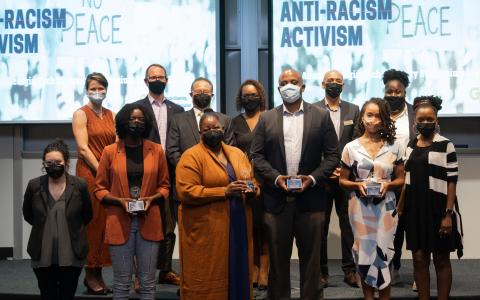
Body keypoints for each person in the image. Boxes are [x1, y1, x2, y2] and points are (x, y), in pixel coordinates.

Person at [251, 68, 339, 299]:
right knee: (277, 263)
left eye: (294, 81)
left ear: (303, 86)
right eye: (284, 82)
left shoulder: (321, 116)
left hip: (311, 201)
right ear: (278, 88)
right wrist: (276, 178)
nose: (289, 85)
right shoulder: (266, 118)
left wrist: (311, 179)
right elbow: (256, 156)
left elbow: (332, 156)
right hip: (276, 200)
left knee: (311, 262)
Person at [176, 112, 259, 299]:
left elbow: (251, 180)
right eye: (207, 129)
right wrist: (223, 191)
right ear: (200, 132)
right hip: (208, 227)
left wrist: (253, 190)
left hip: (238, 223)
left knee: (239, 269)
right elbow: (185, 191)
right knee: (209, 274)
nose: (212, 131)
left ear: (223, 129)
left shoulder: (237, 153)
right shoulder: (191, 156)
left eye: (216, 128)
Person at [94, 103, 170, 299]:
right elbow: (99, 189)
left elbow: (165, 186)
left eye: (140, 119)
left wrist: (152, 198)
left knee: (148, 282)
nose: (136, 122)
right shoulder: (110, 151)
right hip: (119, 221)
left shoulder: (157, 150)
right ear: (123, 122)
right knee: (121, 283)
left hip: (150, 220)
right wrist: (120, 202)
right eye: (132, 119)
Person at [398, 96, 463, 300]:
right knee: (419, 258)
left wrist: (448, 214)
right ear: (415, 121)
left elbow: (452, 181)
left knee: (441, 258)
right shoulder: (410, 144)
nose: (425, 123)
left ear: (436, 120)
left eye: (429, 119)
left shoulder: (446, 145)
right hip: (415, 210)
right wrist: (400, 207)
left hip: (439, 208)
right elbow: (406, 179)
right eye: (421, 119)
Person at [339, 98, 405, 300]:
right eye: (369, 115)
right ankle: (368, 297)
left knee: (384, 254)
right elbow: (343, 181)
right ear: (362, 118)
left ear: (384, 119)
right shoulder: (351, 147)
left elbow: (401, 179)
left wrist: (388, 184)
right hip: (359, 209)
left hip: (386, 208)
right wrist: (358, 185)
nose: (373, 120)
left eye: (378, 116)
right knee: (364, 254)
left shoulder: (396, 146)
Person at [134, 64, 184, 286]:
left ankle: (165, 270)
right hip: (143, 173)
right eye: (152, 77)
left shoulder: (178, 110)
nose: (157, 80)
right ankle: (138, 275)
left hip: (172, 174)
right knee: (140, 224)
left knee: (169, 225)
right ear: (146, 81)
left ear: (167, 80)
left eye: (161, 77)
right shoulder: (135, 109)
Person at [23, 140, 93, 300]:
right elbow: (28, 214)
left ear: (66, 162)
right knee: (47, 294)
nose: (53, 165)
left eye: (58, 162)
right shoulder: (34, 185)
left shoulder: (80, 185)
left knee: (67, 295)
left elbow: (87, 215)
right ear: (43, 164)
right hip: (42, 254)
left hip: (72, 255)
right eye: (49, 162)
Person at [72, 72, 116, 294]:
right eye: (93, 88)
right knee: (91, 223)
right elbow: (82, 148)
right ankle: (89, 274)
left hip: (108, 175)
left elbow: (117, 145)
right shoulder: (81, 114)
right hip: (90, 174)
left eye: (101, 88)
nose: (97, 91)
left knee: (105, 223)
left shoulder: (113, 114)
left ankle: (98, 272)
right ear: (86, 89)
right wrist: (101, 171)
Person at [315, 70, 359, 288]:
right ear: (322, 84)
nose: (334, 83)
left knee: (348, 225)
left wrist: (343, 169)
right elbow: (311, 143)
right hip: (321, 179)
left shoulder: (353, 109)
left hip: (345, 177)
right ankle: (321, 273)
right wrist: (326, 168)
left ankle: (350, 270)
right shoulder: (313, 109)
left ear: (344, 85)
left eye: (338, 81)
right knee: (320, 226)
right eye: (330, 80)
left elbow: (357, 143)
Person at [231, 79, 269, 295]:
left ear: (260, 96)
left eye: (253, 95)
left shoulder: (270, 118)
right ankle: (252, 269)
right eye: (245, 95)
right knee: (250, 227)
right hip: (245, 182)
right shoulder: (234, 122)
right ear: (240, 98)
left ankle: (264, 269)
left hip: (268, 181)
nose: (249, 99)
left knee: (266, 226)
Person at [382, 68, 415, 285]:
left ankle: (417, 273)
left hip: (413, 179)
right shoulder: (377, 113)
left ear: (405, 92)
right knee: (389, 228)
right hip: (386, 180)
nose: (394, 95)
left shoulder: (415, 113)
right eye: (390, 91)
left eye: (398, 91)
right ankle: (391, 268)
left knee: (411, 226)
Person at [166, 77, 235, 169]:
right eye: (198, 92)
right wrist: (187, 168)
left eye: (206, 92)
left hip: (219, 174)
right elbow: (172, 150)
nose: (202, 94)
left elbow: (230, 149)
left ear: (212, 95)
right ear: (191, 94)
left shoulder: (225, 120)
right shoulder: (178, 119)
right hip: (187, 173)